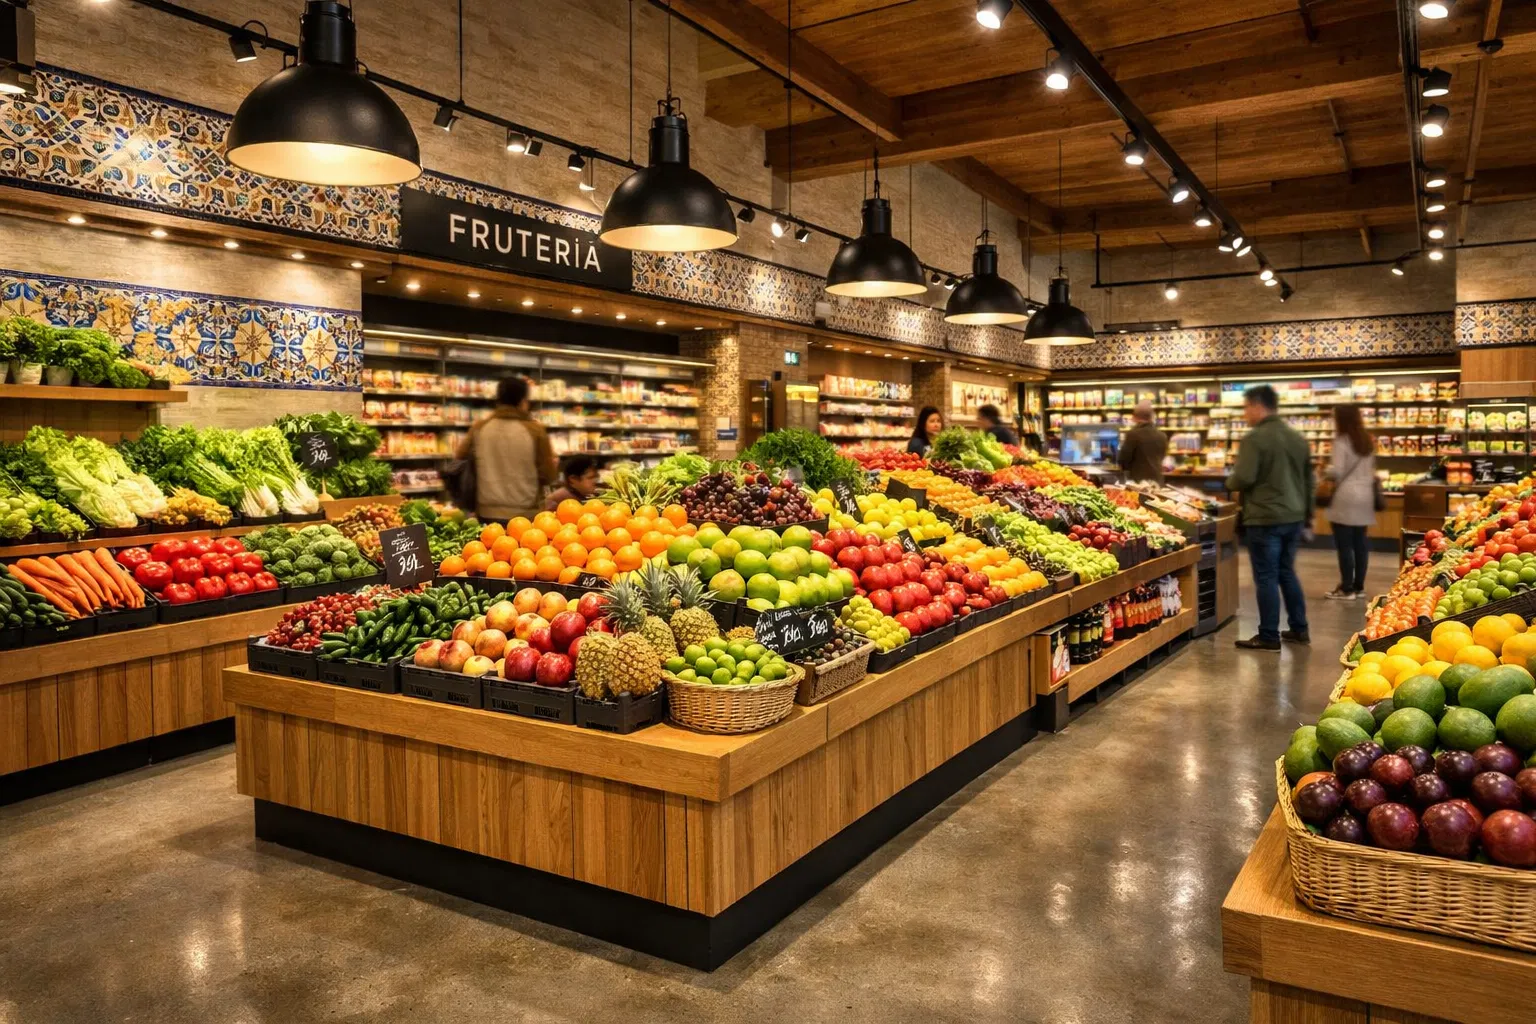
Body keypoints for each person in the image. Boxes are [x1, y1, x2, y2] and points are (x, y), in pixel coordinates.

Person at [1225, 384, 1313, 651]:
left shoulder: (1255, 438)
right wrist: (1307, 514)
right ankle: (1300, 629)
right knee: (1286, 572)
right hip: (1293, 516)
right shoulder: (1297, 438)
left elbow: (1243, 477)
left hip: (1265, 517)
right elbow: (1309, 481)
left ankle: (1268, 636)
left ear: (1257, 406)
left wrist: (1229, 481)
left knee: (1266, 576)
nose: (1245, 414)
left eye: (1246, 408)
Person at [453, 375, 557, 522]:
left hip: (486, 510)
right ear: (523, 401)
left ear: (498, 400)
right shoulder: (535, 430)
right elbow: (549, 474)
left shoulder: (480, 427)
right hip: (526, 513)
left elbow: (459, 458)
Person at [1324, 404, 1377, 600]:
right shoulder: (1366, 440)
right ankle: (1359, 587)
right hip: (1365, 495)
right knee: (1360, 543)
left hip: (1345, 496)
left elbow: (1337, 471)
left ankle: (1347, 588)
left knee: (1344, 544)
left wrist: (1324, 471)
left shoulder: (1342, 441)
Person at [1116, 401, 1168, 483]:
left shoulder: (1133, 434)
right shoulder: (1162, 435)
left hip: (1138, 482)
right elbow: (1162, 456)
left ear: (1135, 417)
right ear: (1151, 417)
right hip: (1157, 480)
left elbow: (1123, 460)